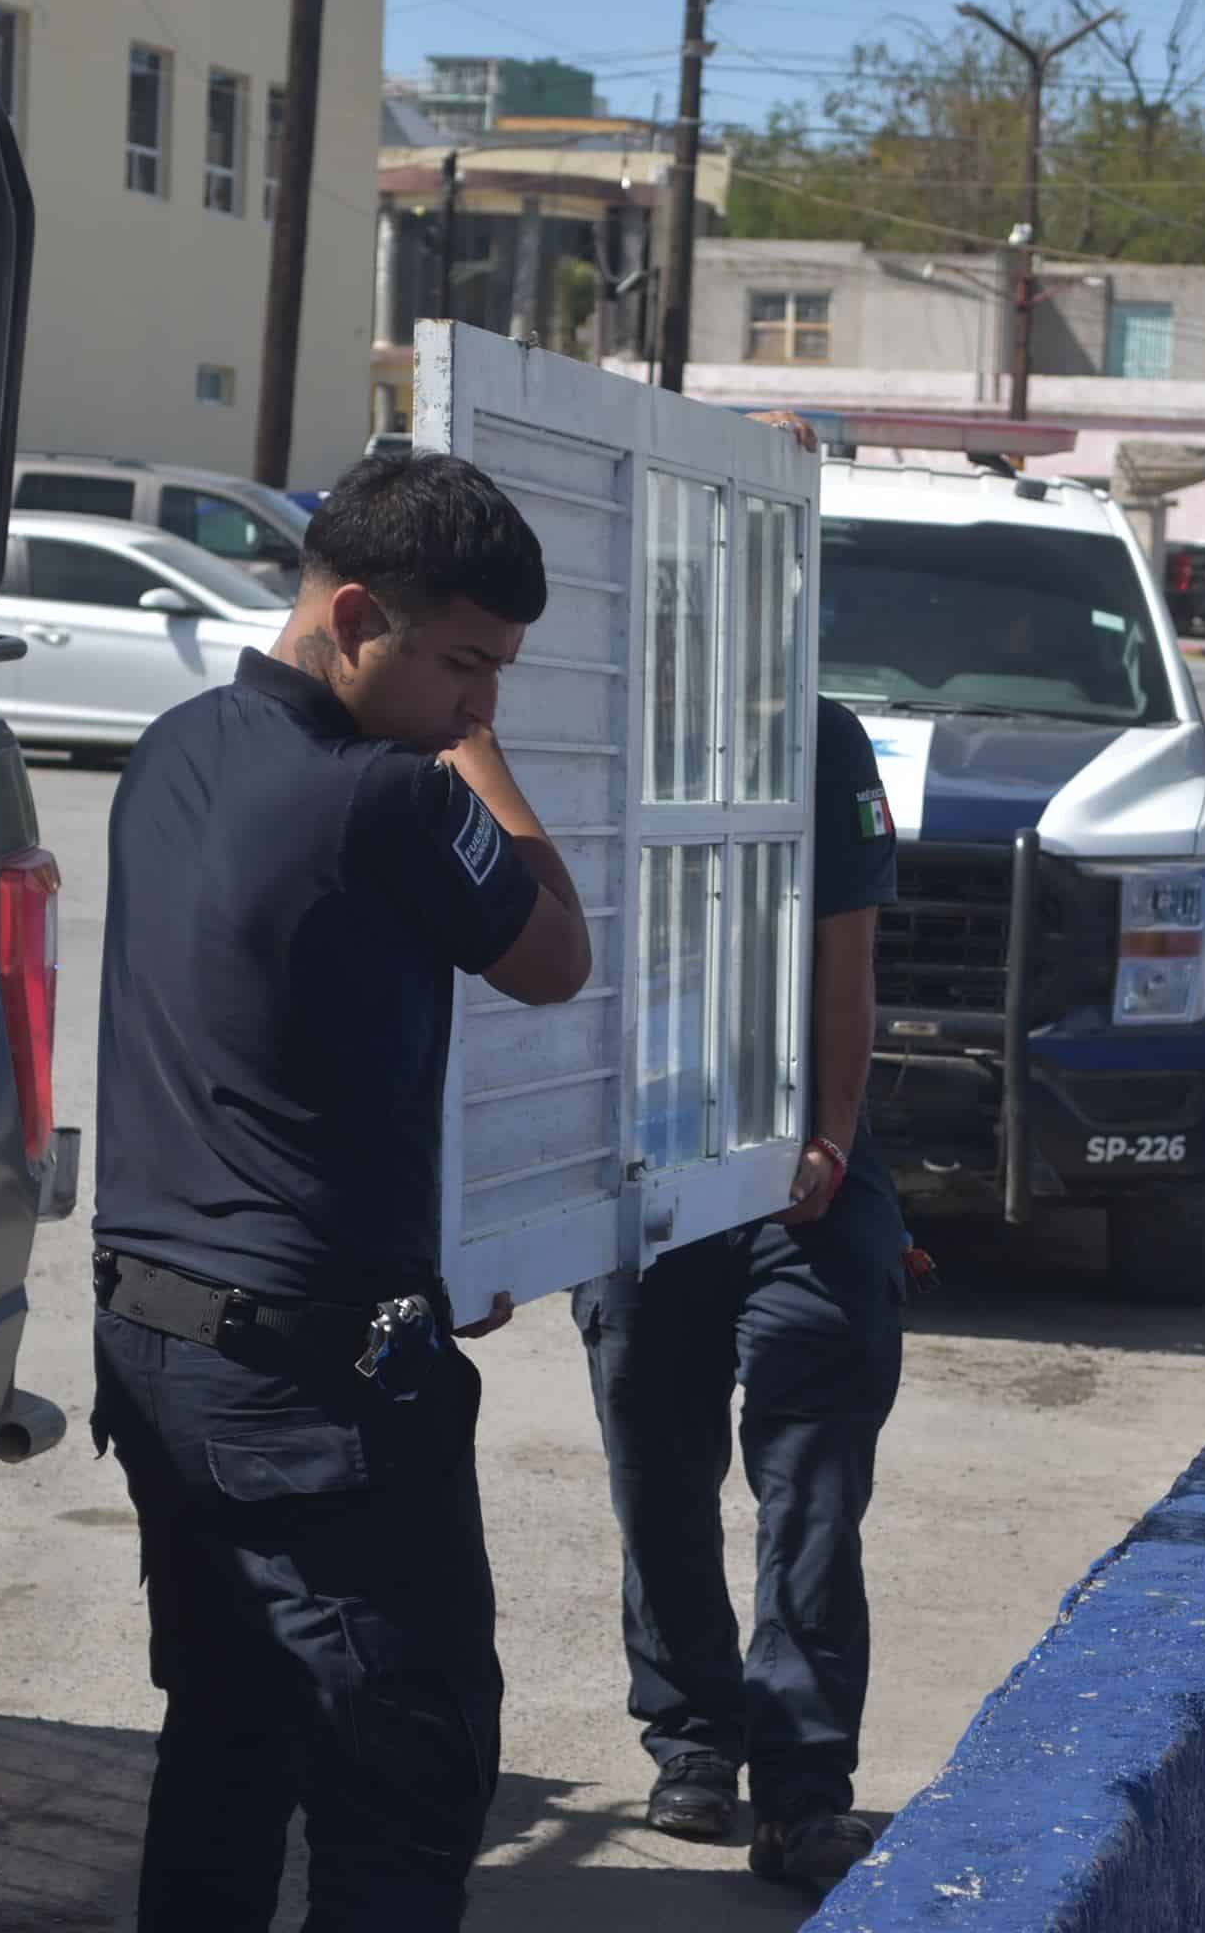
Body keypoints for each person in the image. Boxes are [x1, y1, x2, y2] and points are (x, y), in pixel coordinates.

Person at [86, 452, 592, 1930]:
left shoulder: (176, 748)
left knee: (229, 1749)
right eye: (464, 664)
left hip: (163, 1352)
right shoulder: (383, 795)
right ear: (355, 612)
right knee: (404, 1784)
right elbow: (554, 949)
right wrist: (470, 761)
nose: (481, 703)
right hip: (312, 1394)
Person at [569, 684, 907, 1897]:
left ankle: (805, 1789)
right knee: (656, 1469)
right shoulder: (600, 722)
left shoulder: (818, 737)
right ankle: (694, 1737)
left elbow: (844, 951)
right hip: (647, 1162)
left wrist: (826, 1129)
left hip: (798, 1170)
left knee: (810, 1489)